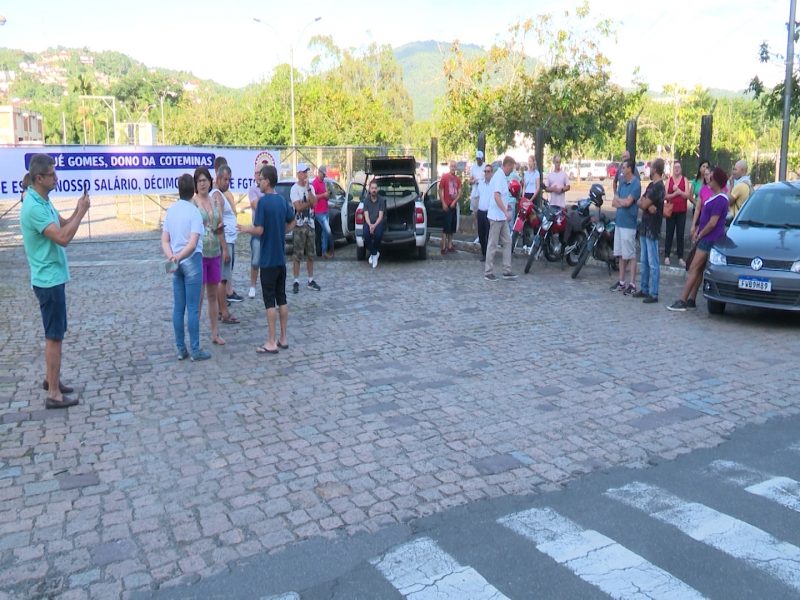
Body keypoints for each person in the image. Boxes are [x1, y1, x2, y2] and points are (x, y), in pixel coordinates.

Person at [20, 154, 90, 408]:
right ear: (39, 178)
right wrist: (82, 213)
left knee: (57, 333)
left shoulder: (42, 200)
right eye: (52, 174)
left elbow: (63, 223)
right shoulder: (34, 207)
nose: (56, 178)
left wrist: (77, 209)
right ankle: (53, 393)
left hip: (53, 277)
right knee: (54, 336)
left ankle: (52, 379)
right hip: (47, 280)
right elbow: (62, 237)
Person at [238, 165, 295, 353]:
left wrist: (246, 229)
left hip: (268, 260)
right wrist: (282, 231)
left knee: (269, 301)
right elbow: (292, 221)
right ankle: (283, 338)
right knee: (282, 299)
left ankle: (271, 341)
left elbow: (260, 230)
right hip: (281, 260)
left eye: (261, 179)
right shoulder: (282, 201)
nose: (258, 181)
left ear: (268, 181)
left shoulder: (263, 203)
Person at [161, 174, 211, 362]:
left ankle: (181, 349)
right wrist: (180, 256)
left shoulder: (171, 211)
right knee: (193, 308)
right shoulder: (194, 212)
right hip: (191, 260)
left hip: (176, 262)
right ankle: (195, 349)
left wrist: (172, 257)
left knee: (178, 308)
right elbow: (193, 243)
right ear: (193, 190)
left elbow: (165, 240)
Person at [668, 167, 730, 312]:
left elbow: (713, 222)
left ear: (717, 181)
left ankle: (683, 299)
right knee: (699, 269)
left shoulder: (720, 199)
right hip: (707, 236)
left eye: (712, 178)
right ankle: (691, 299)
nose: (709, 179)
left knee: (694, 268)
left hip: (708, 238)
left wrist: (700, 233)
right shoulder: (717, 197)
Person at [193, 166, 227, 346]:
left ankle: (215, 332)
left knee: (213, 296)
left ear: (210, 181)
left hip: (214, 253)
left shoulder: (215, 200)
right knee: (198, 297)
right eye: (199, 181)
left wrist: (224, 249)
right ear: (195, 184)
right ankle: (195, 336)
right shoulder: (193, 203)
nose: (202, 183)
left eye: (205, 179)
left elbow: (220, 226)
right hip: (198, 254)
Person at [633, 159, 665, 303]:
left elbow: (643, 202)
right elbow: (640, 201)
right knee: (644, 260)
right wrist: (646, 205)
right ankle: (644, 288)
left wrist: (645, 204)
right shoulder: (651, 185)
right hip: (645, 226)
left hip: (653, 227)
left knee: (653, 262)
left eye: (651, 167)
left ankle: (654, 293)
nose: (649, 169)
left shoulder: (659, 187)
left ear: (655, 169)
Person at [211, 165, 240, 324]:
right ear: (218, 178)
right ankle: (223, 312)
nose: (228, 182)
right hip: (225, 242)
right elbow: (218, 222)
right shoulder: (217, 196)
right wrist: (224, 248)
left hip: (229, 240)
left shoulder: (220, 194)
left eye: (229, 179)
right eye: (225, 179)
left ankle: (222, 311)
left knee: (223, 278)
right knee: (222, 279)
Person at [609, 158, 642, 295]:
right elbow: (614, 203)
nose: (621, 170)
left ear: (629, 169)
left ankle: (633, 283)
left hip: (629, 224)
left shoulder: (636, 184)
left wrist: (621, 202)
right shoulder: (622, 183)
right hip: (619, 222)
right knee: (621, 254)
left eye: (623, 168)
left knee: (631, 254)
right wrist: (622, 202)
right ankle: (622, 282)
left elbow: (629, 203)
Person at [484, 156, 518, 281]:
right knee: (492, 243)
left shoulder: (502, 177)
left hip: (501, 217)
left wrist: (506, 205)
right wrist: (505, 210)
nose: (512, 170)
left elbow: (501, 196)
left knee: (507, 241)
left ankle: (506, 270)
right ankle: (488, 272)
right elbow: (497, 196)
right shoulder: (499, 177)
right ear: (507, 165)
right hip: (496, 216)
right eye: (511, 167)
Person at [290, 163, 321, 293]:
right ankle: (296, 280)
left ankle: (310, 279)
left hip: (310, 224)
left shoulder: (311, 188)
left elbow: (315, 204)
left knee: (310, 254)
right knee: (297, 255)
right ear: (298, 174)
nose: (305, 175)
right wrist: (309, 203)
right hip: (299, 225)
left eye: (306, 172)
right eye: (303, 172)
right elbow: (298, 207)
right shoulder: (294, 189)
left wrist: (308, 190)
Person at [663, 160, 690, 267]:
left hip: (682, 211)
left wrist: (679, 191)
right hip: (671, 211)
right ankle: (666, 256)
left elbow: (687, 195)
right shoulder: (669, 180)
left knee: (680, 234)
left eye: (678, 167)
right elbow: (665, 196)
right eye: (675, 167)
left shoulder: (685, 180)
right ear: (672, 169)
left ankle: (680, 257)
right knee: (669, 233)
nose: (677, 169)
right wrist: (676, 194)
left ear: (681, 169)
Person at [439, 160, 461, 254]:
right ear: (449, 167)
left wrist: (455, 202)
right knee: (446, 227)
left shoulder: (457, 179)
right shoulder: (444, 177)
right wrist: (443, 203)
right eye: (452, 166)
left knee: (452, 227)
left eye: (454, 166)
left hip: (453, 205)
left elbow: (460, 193)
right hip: (447, 205)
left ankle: (450, 245)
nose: (453, 168)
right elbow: (440, 190)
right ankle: (443, 247)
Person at [312, 165, 334, 258]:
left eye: (325, 174)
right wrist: (323, 195)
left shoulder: (324, 183)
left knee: (325, 232)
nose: (324, 176)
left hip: (325, 210)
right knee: (328, 231)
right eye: (323, 174)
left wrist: (328, 195)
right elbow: (313, 197)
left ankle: (324, 251)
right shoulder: (314, 183)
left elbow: (325, 196)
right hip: (318, 212)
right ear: (319, 172)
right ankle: (330, 250)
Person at [362, 181, 386, 268]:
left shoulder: (381, 200)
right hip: (368, 222)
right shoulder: (366, 201)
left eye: (375, 188)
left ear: (377, 189)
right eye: (372, 188)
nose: (374, 190)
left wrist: (374, 225)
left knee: (378, 235)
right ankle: (375, 253)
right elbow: (366, 215)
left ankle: (373, 254)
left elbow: (380, 216)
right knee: (365, 234)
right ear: (369, 189)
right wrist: (370, 225)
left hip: (378, 222)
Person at [247, 167, 261, 299]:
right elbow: (257, 206)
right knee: (255, 260)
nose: (258, 175)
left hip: (269, 229)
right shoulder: (253, 189)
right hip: (257, 229)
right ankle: (252, 286)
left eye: (260, 173)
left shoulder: (271, 190)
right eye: (256, 173)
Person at [476, 160, 492, 260]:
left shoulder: (493, 184)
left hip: (489, 212)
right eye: (485, 171)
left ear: (491, 173)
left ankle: (489, 254)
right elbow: (478, 196)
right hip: (481, 212)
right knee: (481, 234)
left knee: (488, 235)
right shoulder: (481, 184)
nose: (486, 173)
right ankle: (484, 253)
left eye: (488, 171)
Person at [469, 150, 485, 216]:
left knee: (482, 212)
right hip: (475, 193)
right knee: (474, 213)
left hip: (483, 194)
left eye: (480, 159)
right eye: (477, 159)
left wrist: (481, 181)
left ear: (482, 159)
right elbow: (470, 181)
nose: (478, 161)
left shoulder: (485, 166)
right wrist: (474, 181)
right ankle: (475, 226)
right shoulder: (473, 167)